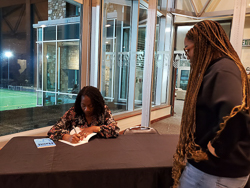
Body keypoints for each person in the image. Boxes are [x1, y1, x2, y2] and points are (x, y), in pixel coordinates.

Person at [172, 20, 250, 188]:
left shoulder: (223, 70)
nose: (188, 55)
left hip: (215, 171)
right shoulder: (221, 68)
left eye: (188, 49)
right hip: (215, 170)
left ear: (201, 45)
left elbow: (236, 112)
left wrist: (217, 147)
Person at [48, 86, 120, 143]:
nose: (86, 109)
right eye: (83, 105)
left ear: (97, 104)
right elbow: (52, 131)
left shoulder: (103, 110)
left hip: (98, 149)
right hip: (76, 150)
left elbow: (115, 130)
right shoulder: (73, 112)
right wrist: (67, 137)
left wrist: (93, 129)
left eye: (91, 106)